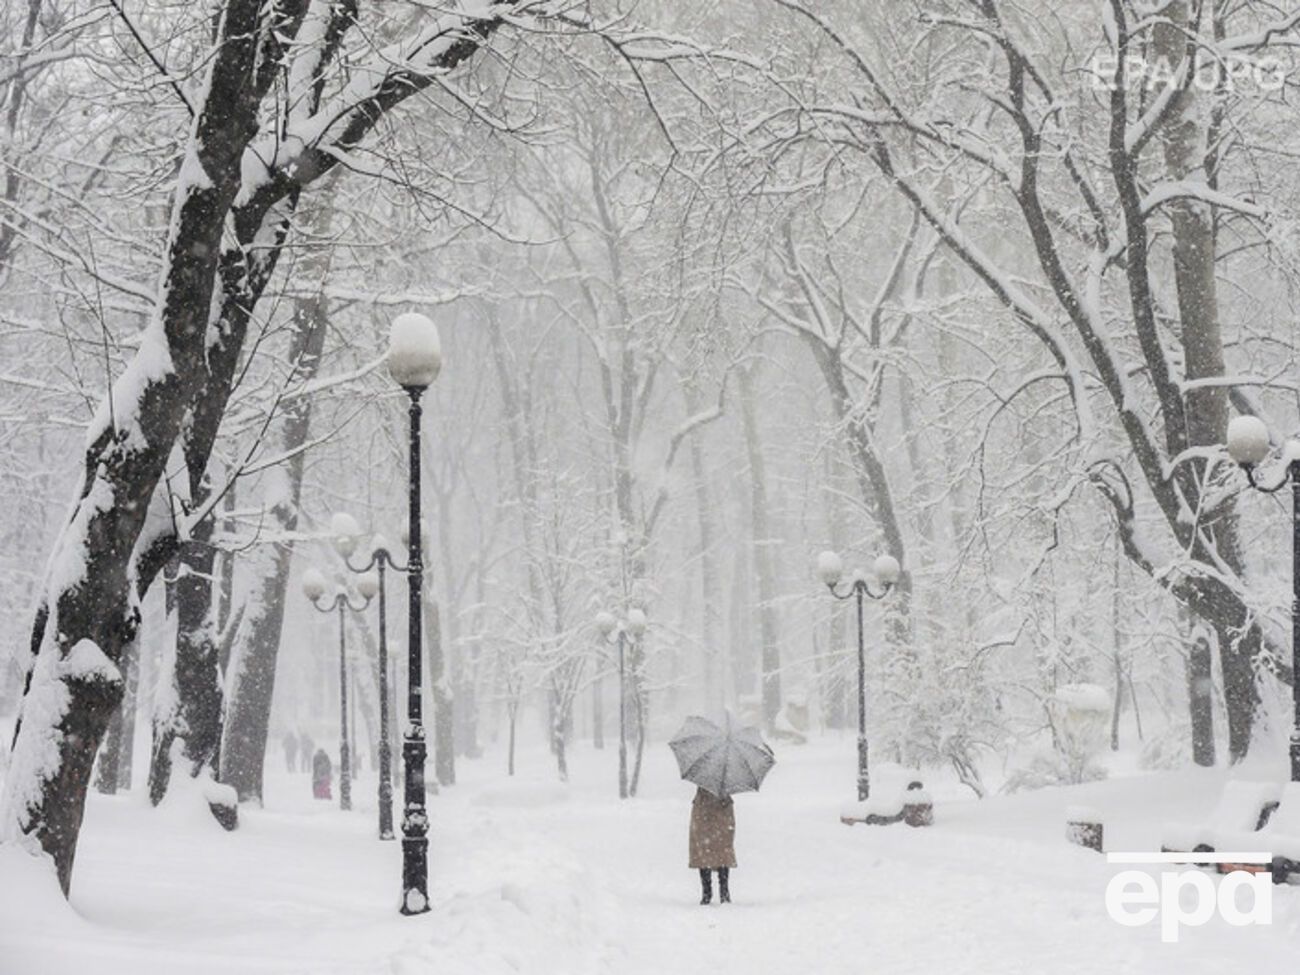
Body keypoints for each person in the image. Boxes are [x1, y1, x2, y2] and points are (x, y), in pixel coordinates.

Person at [689, 786, 736, 904]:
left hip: (706, 811)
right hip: (713, 812)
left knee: (709, 852)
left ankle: (709, 892)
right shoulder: (727, 776)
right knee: (720, 851)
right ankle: (721, 892)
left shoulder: (702, 775)